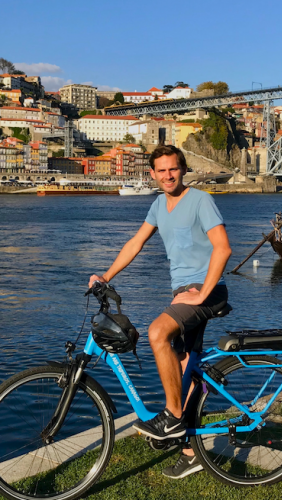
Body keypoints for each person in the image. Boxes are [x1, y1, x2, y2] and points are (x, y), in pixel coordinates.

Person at [89, 144, 232, 479]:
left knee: (157, 332)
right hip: (184, 294)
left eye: (173, 169)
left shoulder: (200, 200)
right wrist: (106, 276)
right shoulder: (158, 205)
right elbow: (136, 243)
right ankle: (189, 451)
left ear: (182, 170)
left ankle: (171, 415)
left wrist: (203, 294)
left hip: (206, 293)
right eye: (161, 171)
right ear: (151, 174)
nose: (168, 176)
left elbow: (223, 248)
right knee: (185, 372)